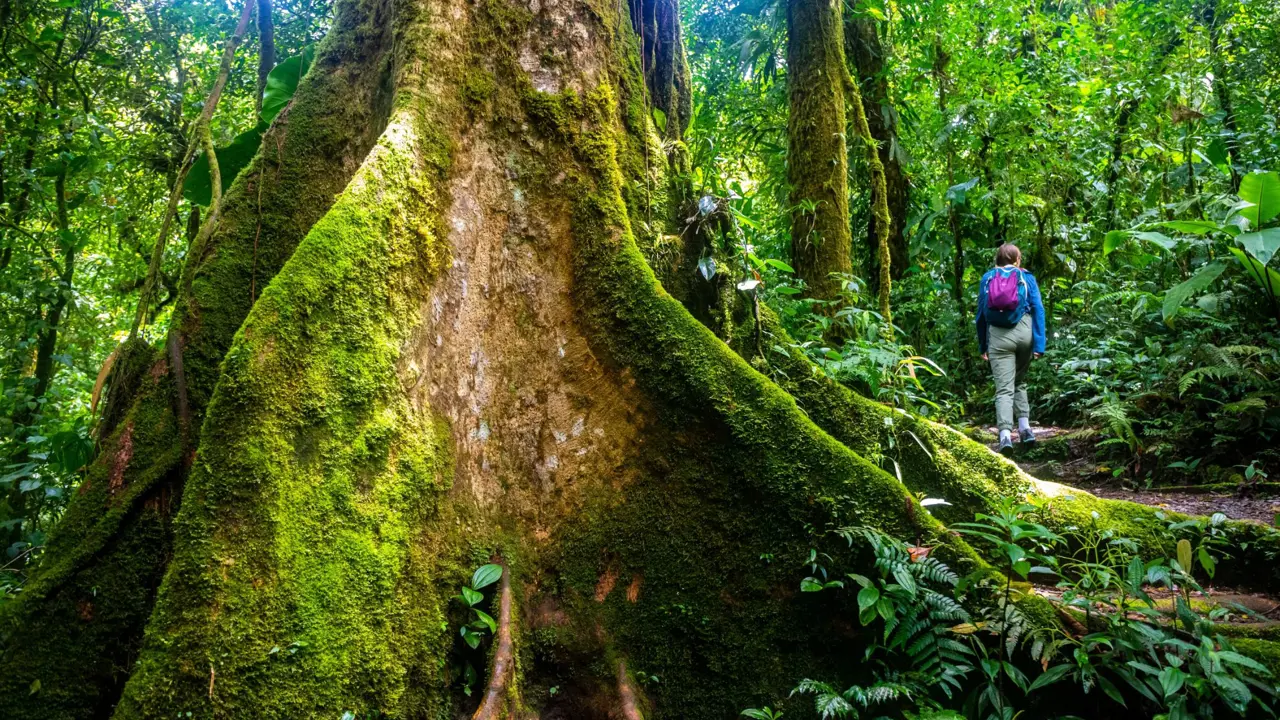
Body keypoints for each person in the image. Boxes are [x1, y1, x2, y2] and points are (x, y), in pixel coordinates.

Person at [976, 243, 1046, 455]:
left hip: (998, 336)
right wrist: (1039, 343)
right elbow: (1038, 309)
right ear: (1017, 260)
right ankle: (1025, 429)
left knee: (1004, 388)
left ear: (997, 259)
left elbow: (980, 314)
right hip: (1024, 333)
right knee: (1020, 382)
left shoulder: (988, 277)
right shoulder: (1027, 278)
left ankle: (1005, 436)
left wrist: (983, 344)